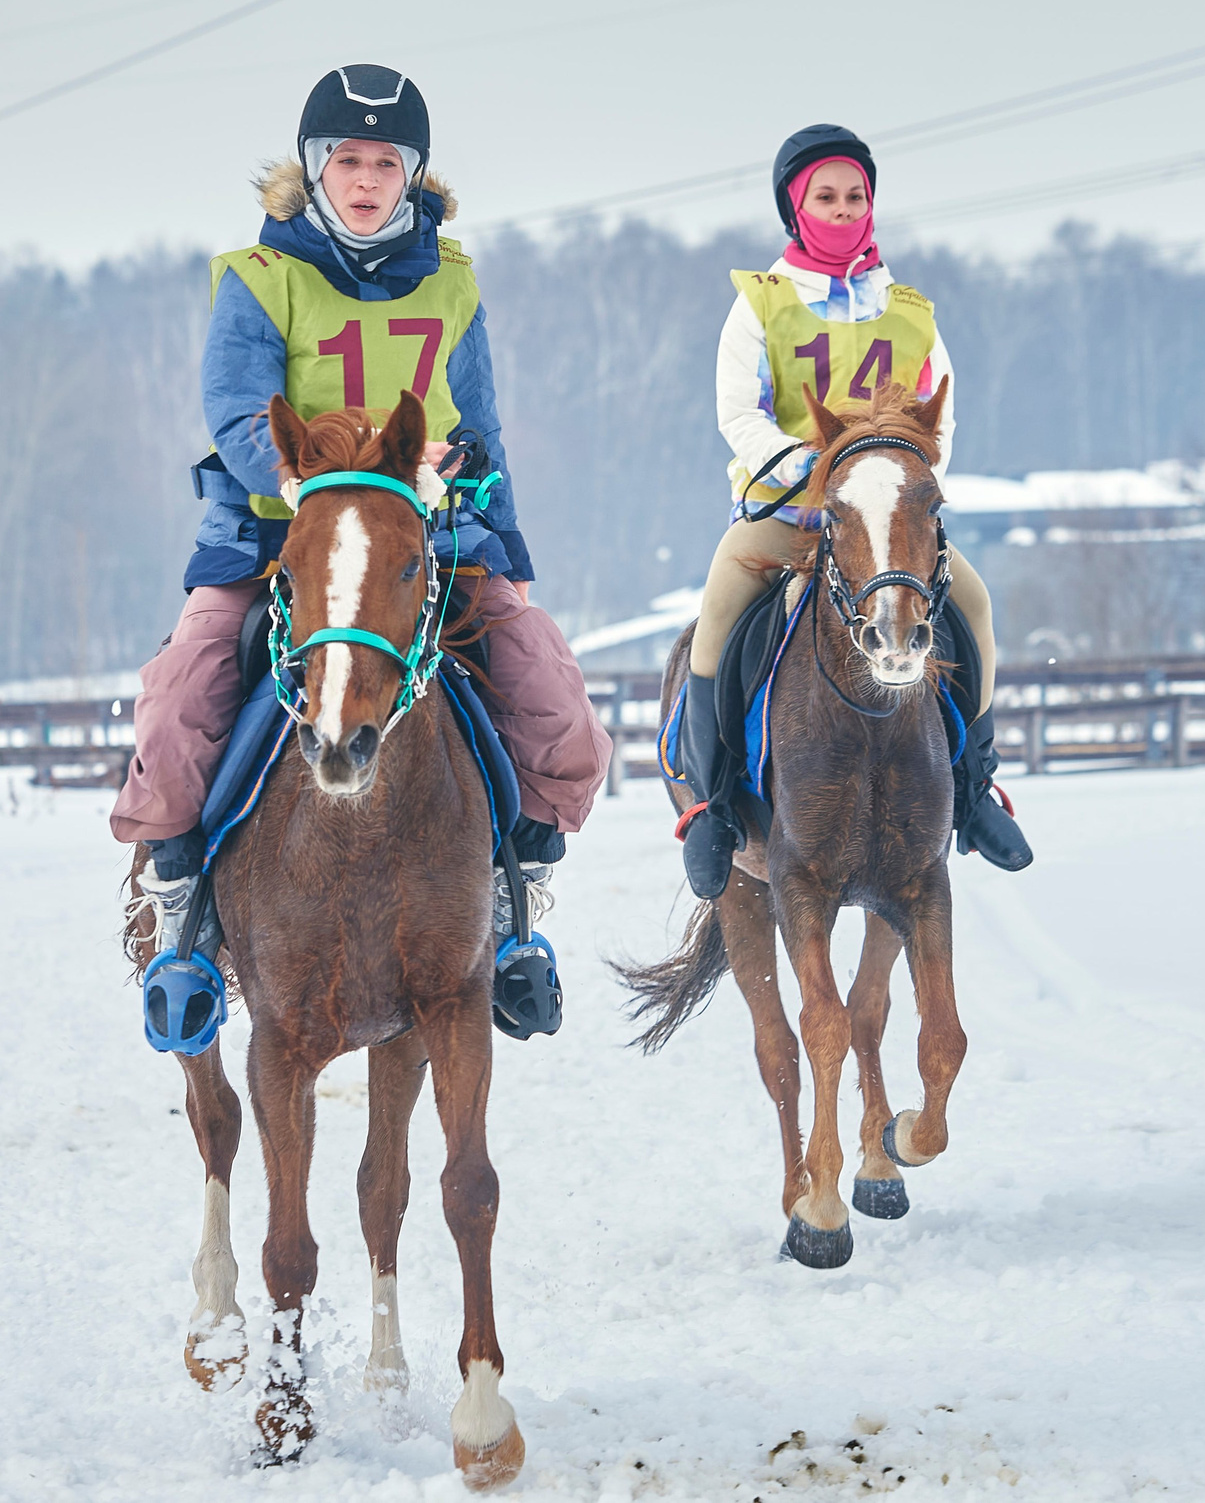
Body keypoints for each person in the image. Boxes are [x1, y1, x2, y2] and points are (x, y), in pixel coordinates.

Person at [112, 63, 611, 1021]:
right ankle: (183, 912)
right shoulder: (260, 280)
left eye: (388, 162)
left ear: (412, 174)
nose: (368, 179)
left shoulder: (453, 282)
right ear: (316, 169)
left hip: (431, 534)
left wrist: (494, 533)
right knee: (184, 691)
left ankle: (514, 901)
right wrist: (312, 486)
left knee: (550, 687)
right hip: (280, 537)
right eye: (349, 160)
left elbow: (482, 421)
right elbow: (235, 414)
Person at [673, 123, 1032, 899]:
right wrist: (817, 472)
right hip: (790, 511)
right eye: (825, 197)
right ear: (796, 209)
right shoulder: (760, 305)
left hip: (889, 521)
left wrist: (905, 491)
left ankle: (972, 790)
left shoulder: (908, 310)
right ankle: (712, 804)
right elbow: (739, 413)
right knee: (720, 608)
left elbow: (940, 419)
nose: (842, 210)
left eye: (855, 196)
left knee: (971, 601)